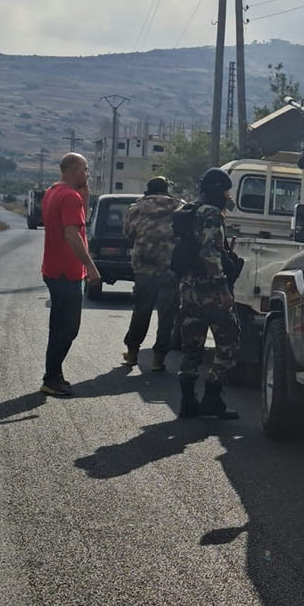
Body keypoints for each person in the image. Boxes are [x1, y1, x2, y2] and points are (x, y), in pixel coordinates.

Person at [175, 167, 243, 420]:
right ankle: (213, 400)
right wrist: (222, 287)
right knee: (230, 341)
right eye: (226, 191)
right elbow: (209, 253)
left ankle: (187, 403)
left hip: (188, 288)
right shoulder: (212, 214)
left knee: (192, 345)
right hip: (210, 290)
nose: (228, 196)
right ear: (217, 191)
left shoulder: (188, 211)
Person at [39, 153, 101, 397]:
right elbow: (72, 235)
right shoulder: (69, 196)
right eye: (85, 169)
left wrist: (84, 198)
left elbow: (78, 223)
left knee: (59, 325)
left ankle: (54, 374)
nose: (87, 174)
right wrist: (91, 267)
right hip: (67, 272)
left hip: (53, 269)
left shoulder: (53, 191)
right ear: (74, 170)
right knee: (67, 328)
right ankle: (51, 377)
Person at [121, 176, 183, 371]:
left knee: (141, 310)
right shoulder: (180, 207)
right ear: (166, 190)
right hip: (171, 268)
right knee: (167, 315)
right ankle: (159, 358)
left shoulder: (136, 208)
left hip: (144, 268)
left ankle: (132, 353)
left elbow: (128, 234)